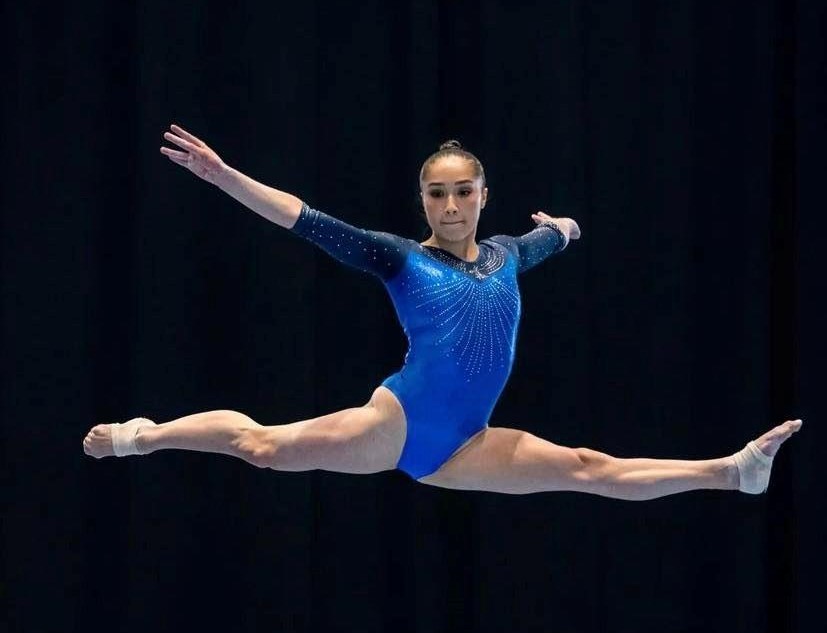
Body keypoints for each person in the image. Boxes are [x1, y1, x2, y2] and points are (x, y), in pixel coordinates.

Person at [83, 124, 802, 499]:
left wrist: (565, 228)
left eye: (462, 191)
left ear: (483, 194)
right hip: (395, 423)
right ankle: (140, 436)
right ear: (422, 198)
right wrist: (224, 175)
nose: (450, 205)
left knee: (589, 468)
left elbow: (548, 237)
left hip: (464, 444)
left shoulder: (507, 254)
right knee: (261, 448)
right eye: (436, 193)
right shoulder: (399, 256)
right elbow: (304, 219)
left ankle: (733, 470)